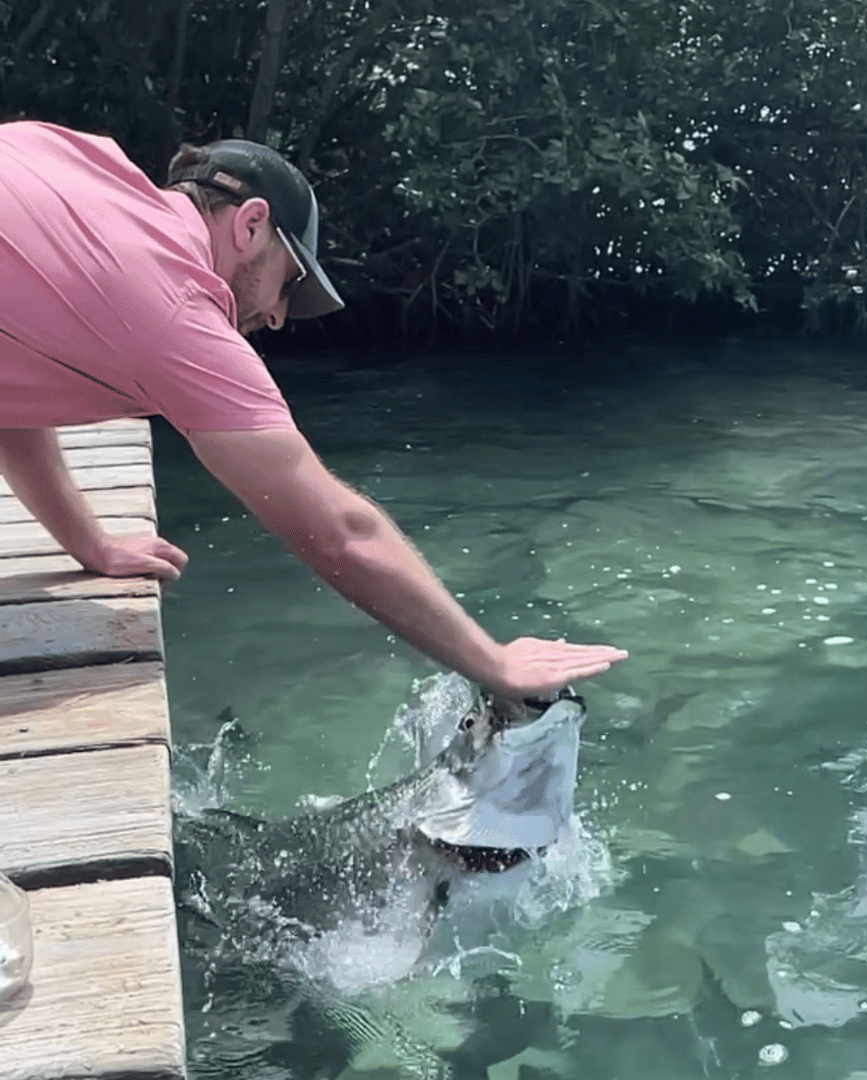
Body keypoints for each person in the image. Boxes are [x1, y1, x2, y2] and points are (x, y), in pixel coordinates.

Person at [0, 121, 627, 699]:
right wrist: (495, 664)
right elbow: (340, 535)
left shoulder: (78, 156)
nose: (276, 315)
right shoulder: (174, 309)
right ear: (249, 224)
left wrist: (93, 546)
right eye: (291, 283)